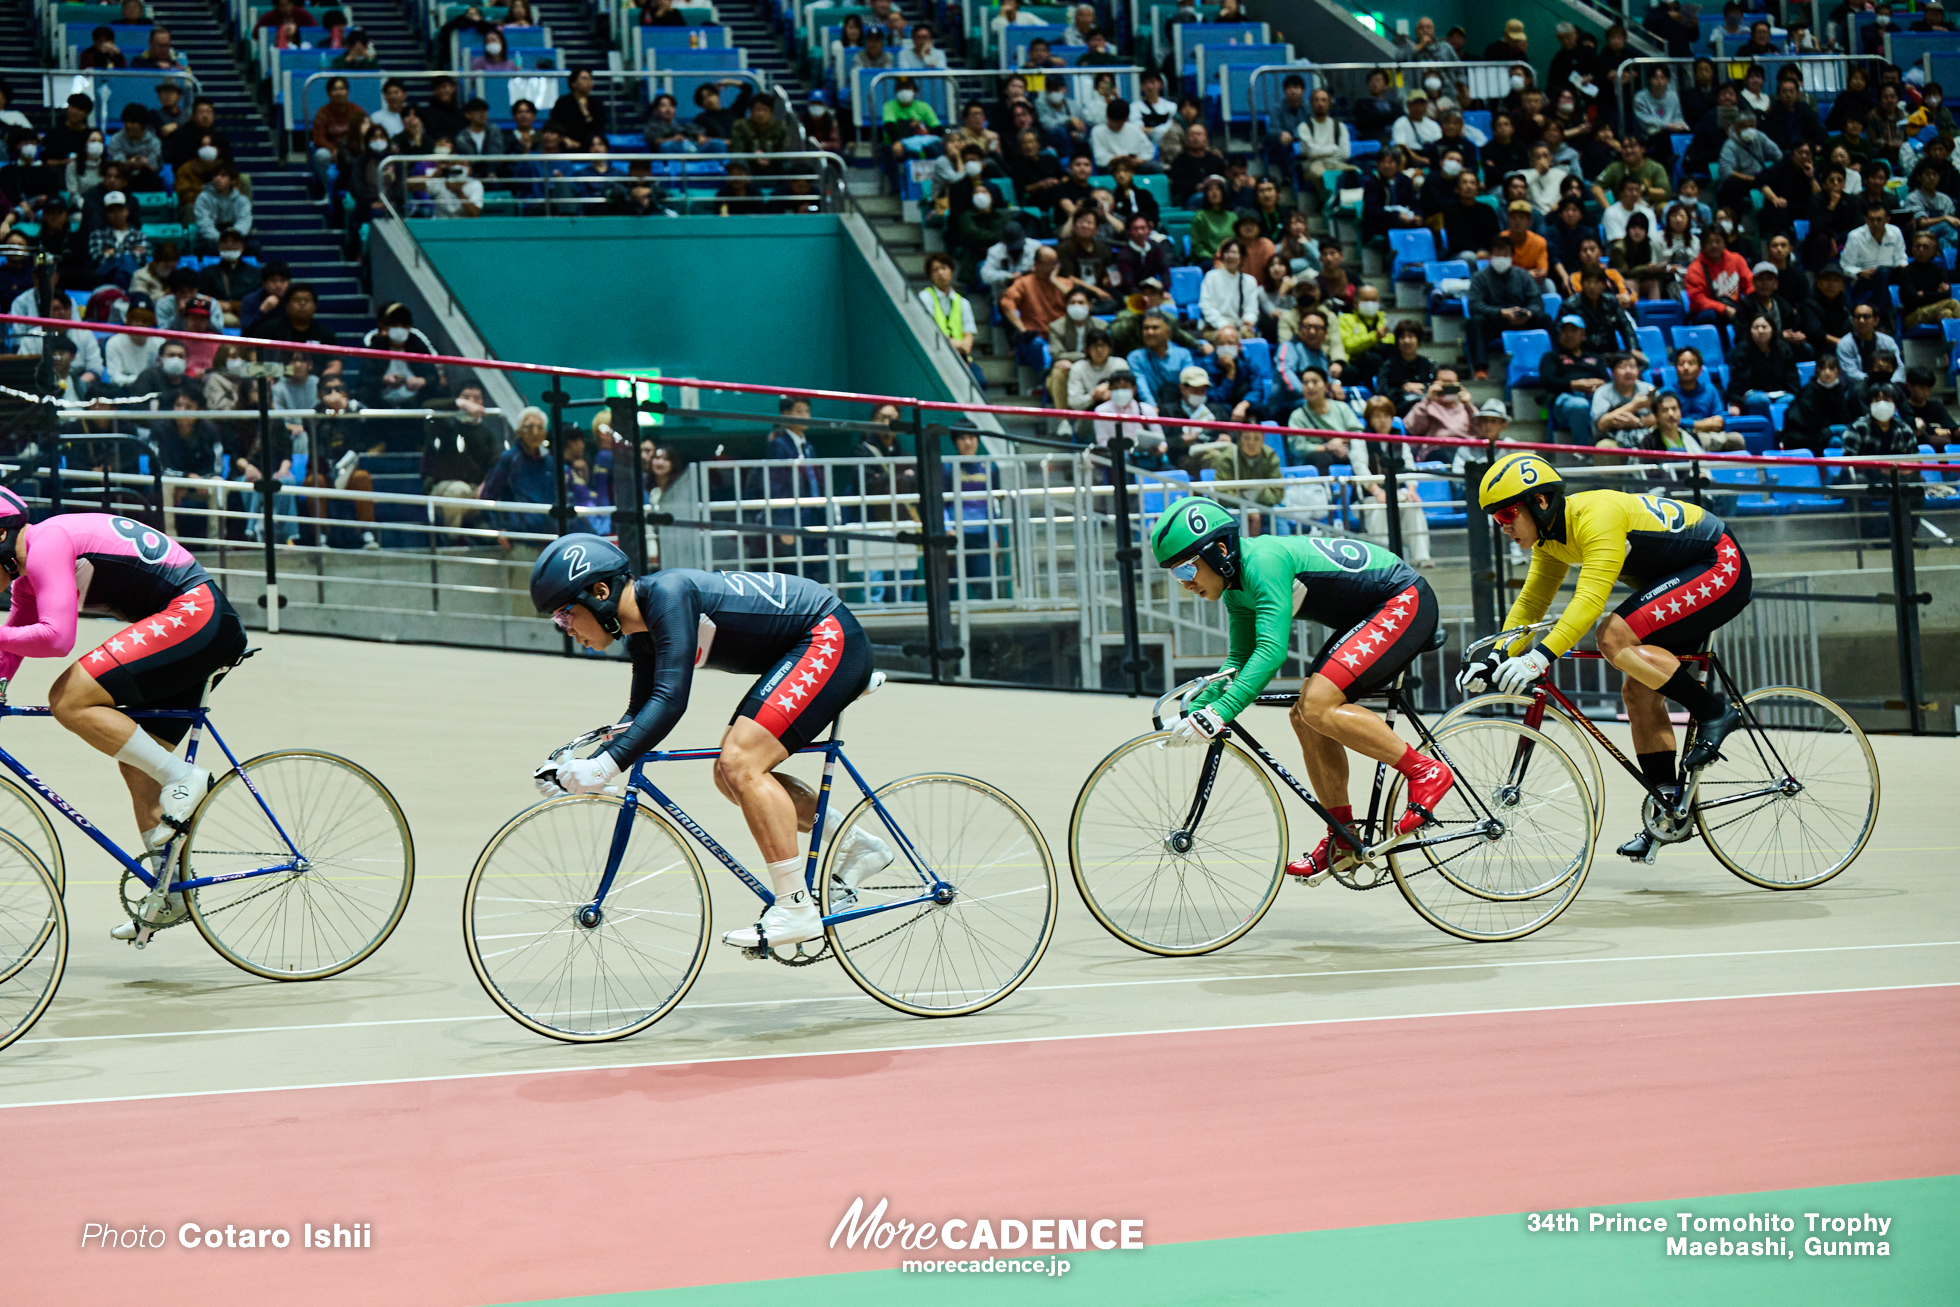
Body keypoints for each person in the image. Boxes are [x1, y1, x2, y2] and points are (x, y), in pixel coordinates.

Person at [529, 535, 884, 949]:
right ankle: (859, 848)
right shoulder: (642, 631)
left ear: (600, 593)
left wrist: (603, 767)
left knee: (741, 762)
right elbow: (640, 714)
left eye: (564, 616)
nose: (566, 630)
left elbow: (671, 700)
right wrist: (581, 767)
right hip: (802, 646)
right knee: (728, 773)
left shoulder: (667, 595)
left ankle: (796, 908)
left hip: (828, 636)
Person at [1462, 456, 1753, 862]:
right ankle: (1669, 811)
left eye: (1509, 512)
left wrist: (1540, 657)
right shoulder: (1550, 542)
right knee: (1638, 691)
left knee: (1612, 636)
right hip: (1682, 577)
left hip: (1719, 565)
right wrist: (1494, 653)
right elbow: (1530, 603)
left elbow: (1589, 600)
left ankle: (1715, 710)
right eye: (1496, 518)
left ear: (1542, 502)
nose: (1503, 525)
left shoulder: (1596, 516)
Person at [1150, 498, 1450, 881]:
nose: (1186, 582)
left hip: (1403, 600)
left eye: (1188, 567)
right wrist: (1198, 708)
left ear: (1220, 551)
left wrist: (1220, 714)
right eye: (1177, 574)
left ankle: (1425, 771)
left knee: (1319, 705)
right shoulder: (1234, 588)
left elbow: (1271, 653)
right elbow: (1239, 658)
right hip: (1373, 611)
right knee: (1305, 716)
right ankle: (1343, 837)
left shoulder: (1263, 563)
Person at [0, 494, 249, 933]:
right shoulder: (26, 583)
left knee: (69, 698)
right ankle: (171, 892)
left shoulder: (48, 543)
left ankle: (186, 777)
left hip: (195, 615)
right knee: (138, 767)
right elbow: (8, 651)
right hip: (189, 625)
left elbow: (57, 638)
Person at [1465, 234, 1553, 380]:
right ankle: (1481, 369)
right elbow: (1475, 305)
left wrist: (1527, 313)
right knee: (1475, 321)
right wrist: (1501, 313)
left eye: (1505, 254)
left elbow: (1537, 302)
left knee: (1544, 318)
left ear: (1512, 256)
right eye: (1497, 253)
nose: (1501, 257)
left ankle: (1556, 361)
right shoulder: (1479, 277)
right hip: (1495, 323)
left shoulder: (1523, 275)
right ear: (1490, 256)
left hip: (1522, 321)